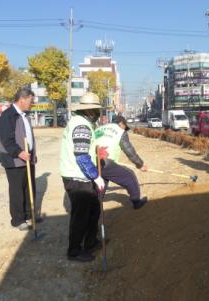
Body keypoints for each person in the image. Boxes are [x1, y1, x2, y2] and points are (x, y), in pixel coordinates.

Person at [60, 92, 106, 262]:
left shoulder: (82, 123)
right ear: (90, 111)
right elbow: (81, 156)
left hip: (80, 176)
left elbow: (84, 149)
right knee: (81, 215)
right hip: (77, 177)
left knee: (93, 209)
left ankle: (91, 242)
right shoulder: (82, 126)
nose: (98, 113)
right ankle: (74, 250)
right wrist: (96, 176)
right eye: (96, 110)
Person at [0, 87, 39, 230]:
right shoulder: (8, 115)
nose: (31, 103)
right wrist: (18, 152)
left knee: (29, 187)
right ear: (22, 99)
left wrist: (32, 153)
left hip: (28, 157)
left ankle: (30, 214)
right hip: (14, 159)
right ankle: (18, 219)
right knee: (17, 190)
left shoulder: (25, 115)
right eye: (30, 100)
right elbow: (6, 139)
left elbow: (28, 136)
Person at [94, 115, 148, 209]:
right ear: (121, 123)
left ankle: (93, 210)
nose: (125, 129)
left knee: (101, 185)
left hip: (92, 163)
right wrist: (140, 164)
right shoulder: (120, 131)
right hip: (106, 162)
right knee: (129, 176)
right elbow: (129, 151)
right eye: (125, 126)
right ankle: (136, 201)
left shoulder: (99, 129)